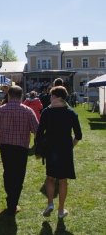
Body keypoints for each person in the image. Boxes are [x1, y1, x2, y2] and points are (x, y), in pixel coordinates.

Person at [0, 85, 39, 216]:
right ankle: (13, 202)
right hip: (21, 147)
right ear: (21, 96)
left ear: (9, 95)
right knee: (19, 175)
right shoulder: (28, 111)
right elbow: (36, 131)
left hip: (5, 146)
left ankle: (10, 199)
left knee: (8, 172)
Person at [36, 86, 82, 219]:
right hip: (65, 151)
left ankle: (50, 203)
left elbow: (39, 134)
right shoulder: (71, 113)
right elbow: (78, 135)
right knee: (63, 180)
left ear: (56, 97)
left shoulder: (46, 112)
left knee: (50, 178)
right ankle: (61, 210)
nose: (50, 98)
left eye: (51, 96)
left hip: (50, 150)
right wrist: (71, 146)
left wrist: (41, 147)